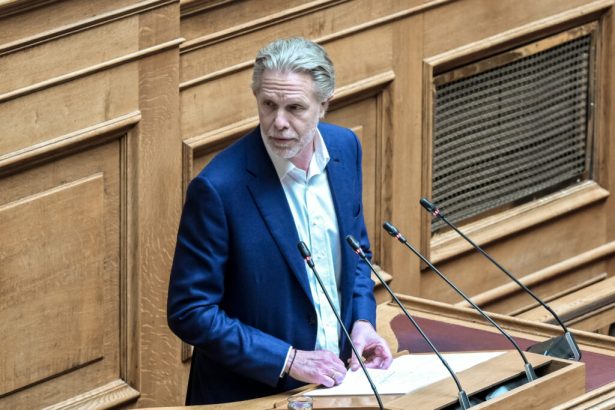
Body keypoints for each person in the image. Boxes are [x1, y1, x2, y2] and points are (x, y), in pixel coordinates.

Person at [167, 37, 393, 405]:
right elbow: (190, 311)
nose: (279, 123)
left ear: (324, 104)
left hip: (335, 386)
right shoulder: (218, 188)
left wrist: (363, 322)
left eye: (295, 108)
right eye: (268, 105)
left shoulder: (344, 148)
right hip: (252, 397)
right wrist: (287, 360)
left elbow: (356, 254)